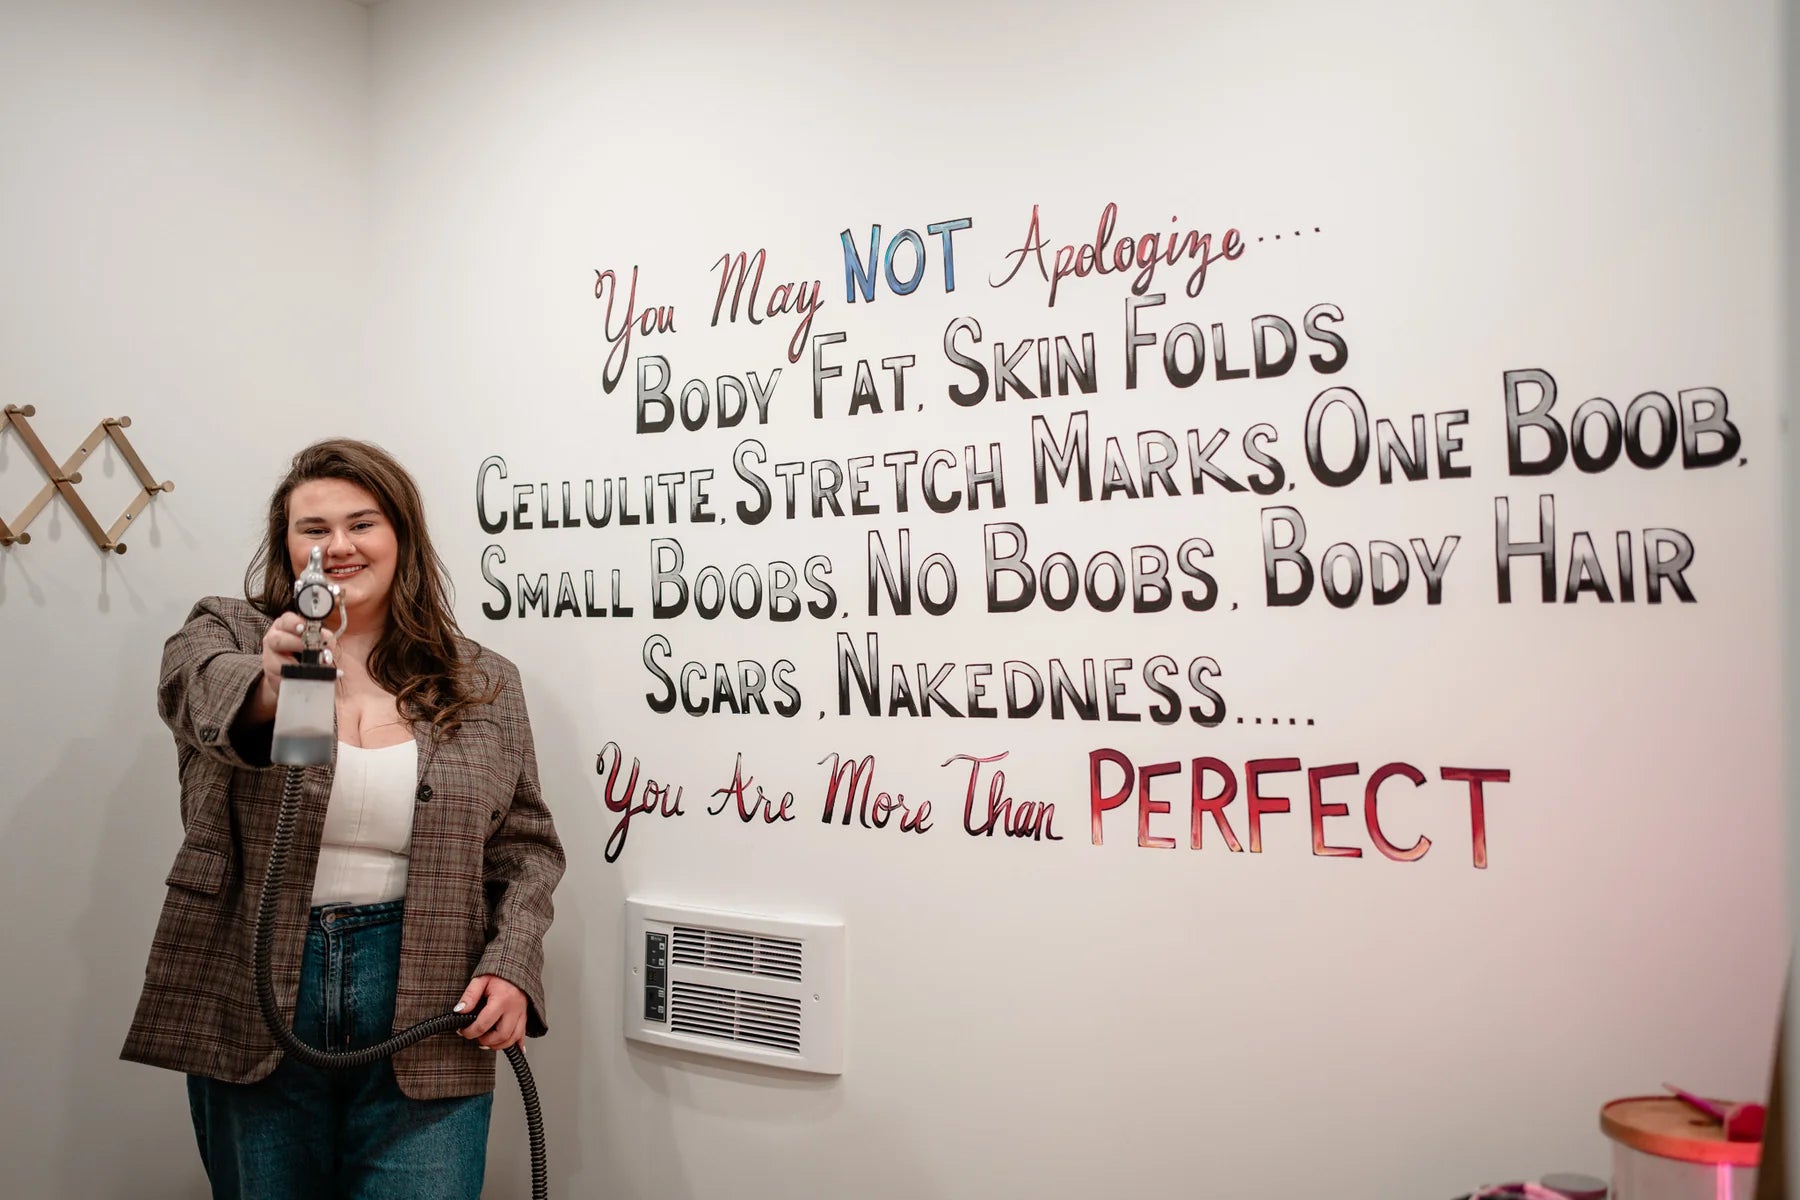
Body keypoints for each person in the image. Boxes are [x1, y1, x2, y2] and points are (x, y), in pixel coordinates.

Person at [120, 438, 566, 1199]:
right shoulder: (225, 633)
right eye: (314, 529)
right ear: (287, 547)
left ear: (402, 537)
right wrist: (280, 678)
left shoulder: (483, 680)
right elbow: (205, 696)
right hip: (254, 988)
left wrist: (513, 961)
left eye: (362, 523)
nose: (339, 546)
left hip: (431, 992)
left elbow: (526, 846)